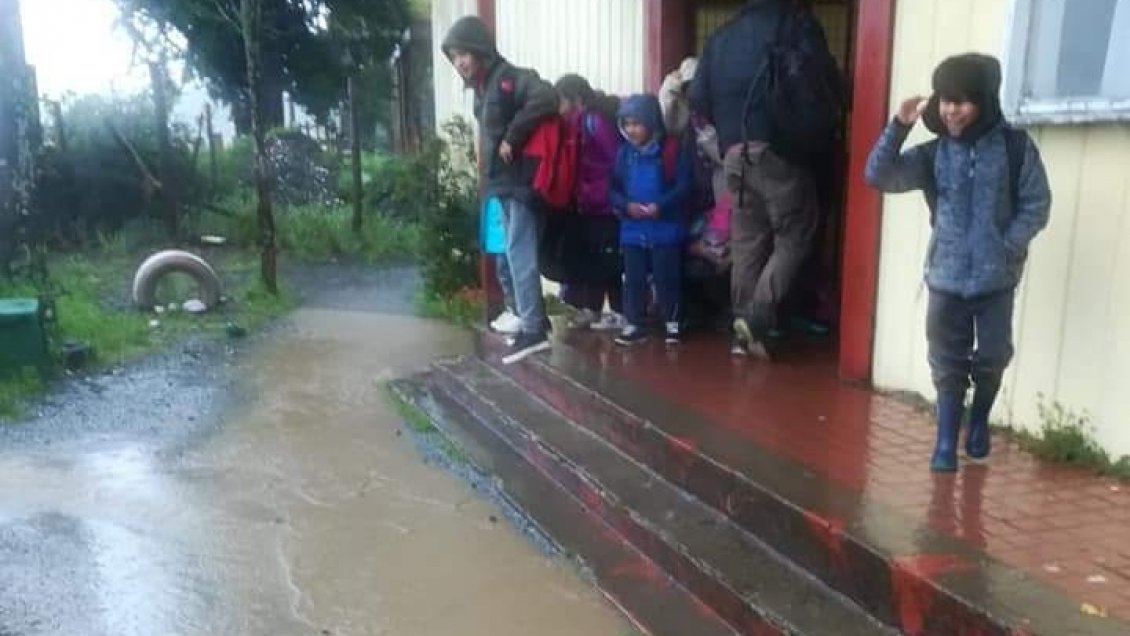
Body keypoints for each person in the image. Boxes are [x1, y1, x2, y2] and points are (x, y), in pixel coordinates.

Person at [865, 53, 1051, 472]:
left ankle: (979, 419)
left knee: (993, 355)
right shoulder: (933, 155)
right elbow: (879, 175)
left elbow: (1036, 204)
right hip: (946, 278)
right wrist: (899, 126)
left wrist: (1007, 246)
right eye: (946, 100)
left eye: (963, 101)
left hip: (995, 280)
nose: (951, 110)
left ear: (984, 100)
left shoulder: (1014, 148)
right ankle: (946, 442)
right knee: (946, 362)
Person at [691, 0, 842, 359]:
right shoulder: (797, 25)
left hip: (733, 153)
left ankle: (742, 334)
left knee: (747, 242)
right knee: (797, 234)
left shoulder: (721, 36)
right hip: (780, 150)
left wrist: (730, 129)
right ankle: (758, 317)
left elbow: (698, 96)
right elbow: (821, 87)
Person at [442, 16, 559, 364]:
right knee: (512, 253)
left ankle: (534, 330)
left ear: (479, 50)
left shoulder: (507, 78)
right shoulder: (484, 86)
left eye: (464, 53)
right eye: (454, 56)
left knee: (518, 252)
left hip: (519, 182)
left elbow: (547, 96)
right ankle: (532, 322)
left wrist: (513, 136)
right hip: (503, 183)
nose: (460, 62)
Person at [609, 94, 692, 347]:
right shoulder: (624, 154)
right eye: (627, 124)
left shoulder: (672, 150)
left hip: (665, 228)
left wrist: (661, 205)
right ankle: (634, 323)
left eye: (637, 123)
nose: (631, 130)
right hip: (633, 228)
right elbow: (612, 188)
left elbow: (684, 185)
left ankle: (673, 322)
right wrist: (626, 206)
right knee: (632, 278)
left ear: (651, 121)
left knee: (666, 277)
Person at [554, 75, 625, 332]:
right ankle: (591, 309)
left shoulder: (595, 121)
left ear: (577, 100)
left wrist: (600, 191)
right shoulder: (576, 124)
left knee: (609, 257)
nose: (558, 107)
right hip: (589, 203)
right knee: (593, 256)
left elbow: (614, 159)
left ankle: (620, 311)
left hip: (605, 203)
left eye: (561, 101)